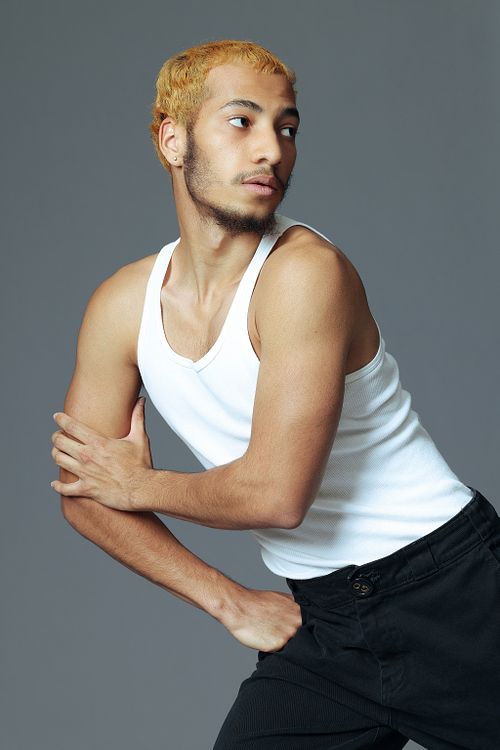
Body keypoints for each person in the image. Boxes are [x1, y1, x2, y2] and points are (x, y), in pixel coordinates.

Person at [49, 40, 500, 749]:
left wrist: (140, 485)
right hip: (323, 622)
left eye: (287, 128)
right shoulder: (122, 306)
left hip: (457, 595)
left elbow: (276, 495)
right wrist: (227, 600)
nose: (272, 150)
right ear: (172, 140)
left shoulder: (304, 274)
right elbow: (84, 493)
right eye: (242, 121)